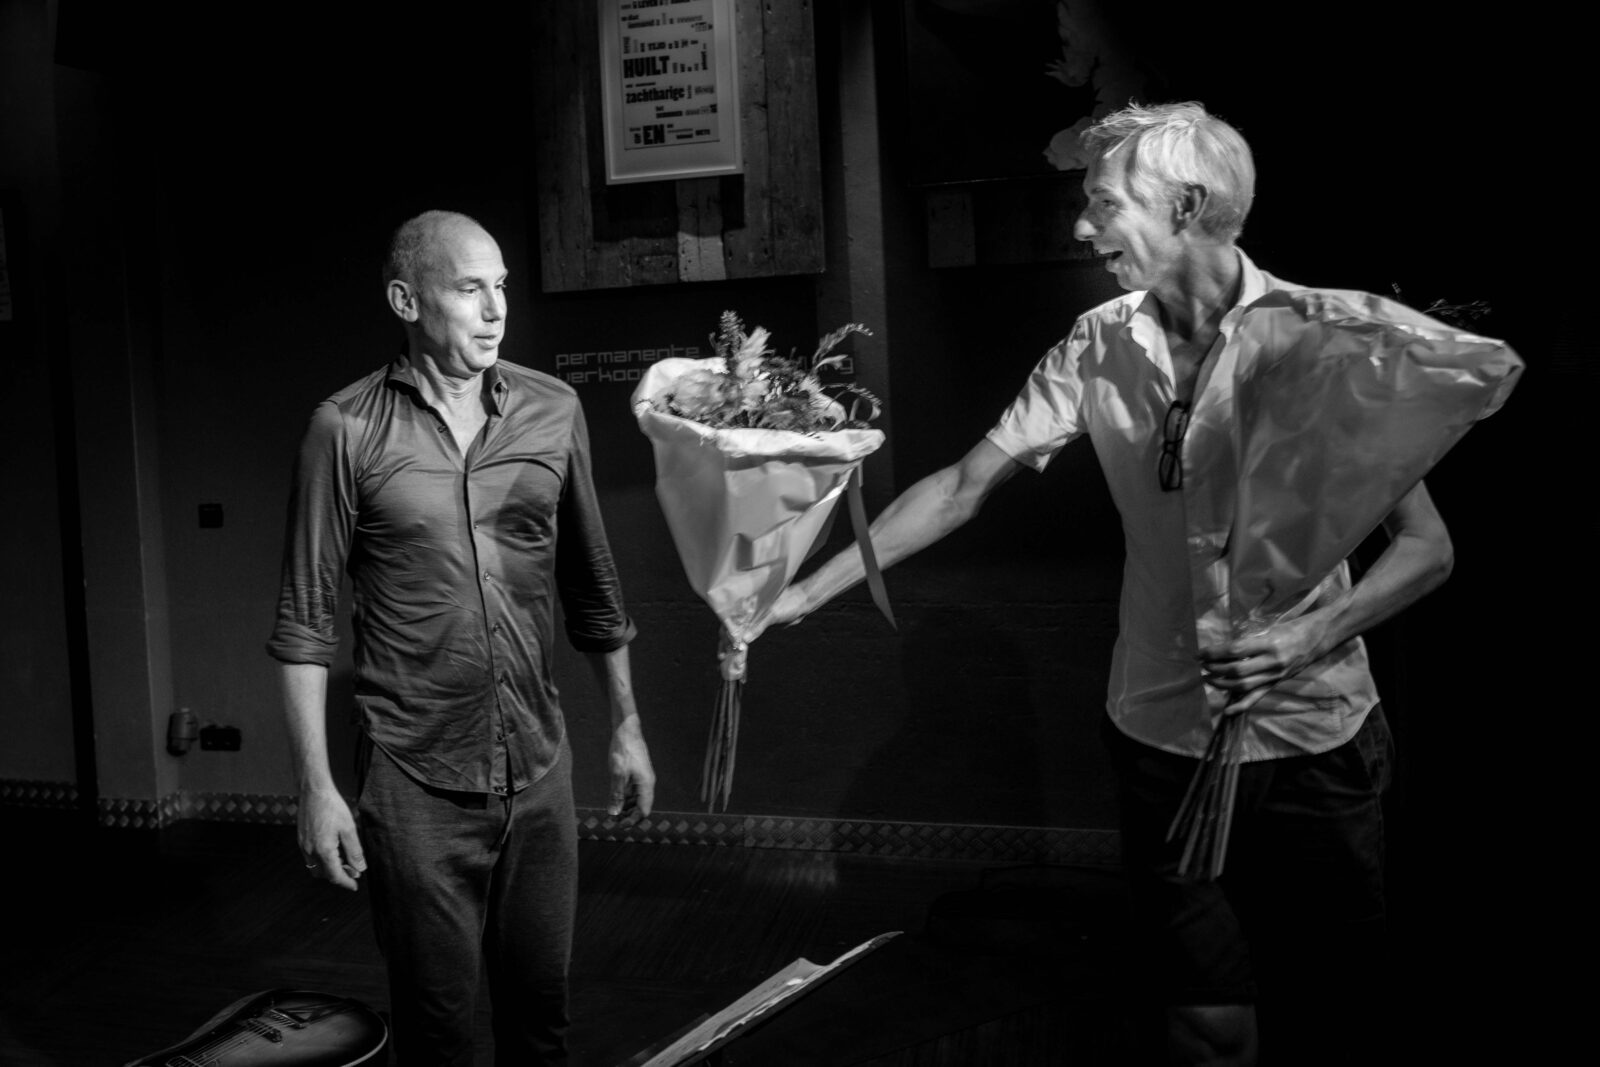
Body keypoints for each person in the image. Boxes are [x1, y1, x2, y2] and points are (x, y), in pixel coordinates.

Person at [756, 103, 1453, 1065]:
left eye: (1104, 203)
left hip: (1313, 745)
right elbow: (962, 487)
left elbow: (1426, 547)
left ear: (1187, 207)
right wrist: (800, 593)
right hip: (1160, 739)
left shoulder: (1321, 343)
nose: (1082, 227)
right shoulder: (1096, 343)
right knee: (1206, 1024)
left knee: (1334, 1014)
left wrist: (1306, 635)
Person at [267, 210, 656, 1066]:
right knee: (437, 1034)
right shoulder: (345, 428)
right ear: (406, 301)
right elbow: (305, 622)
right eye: (470, 288)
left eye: (501, 286)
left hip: (538, 766)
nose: (495, 308)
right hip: (414, 779)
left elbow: (593, 585)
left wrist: (625, 724)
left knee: (541, 1024)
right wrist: (315, 787)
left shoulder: (553, 409)